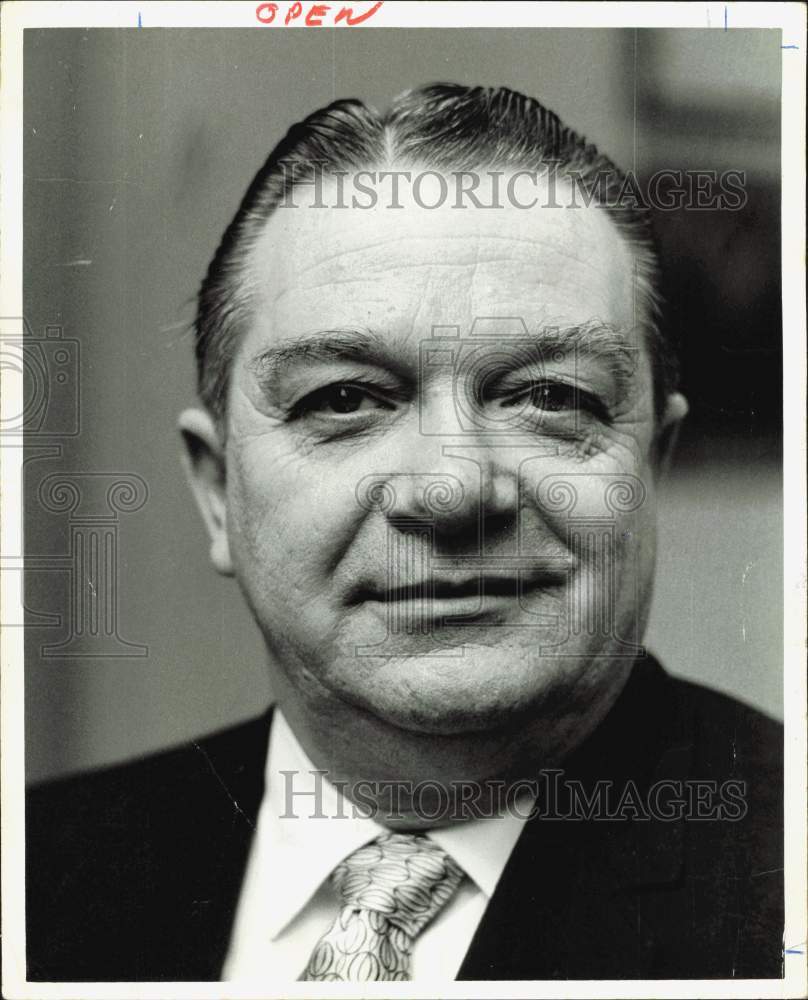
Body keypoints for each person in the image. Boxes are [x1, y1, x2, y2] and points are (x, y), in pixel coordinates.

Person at [26, 84, 783, 983]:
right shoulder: (36, 869)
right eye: (344, 399)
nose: (453, 485)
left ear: (649, 468)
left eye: (551, 398)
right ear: (217, 491)